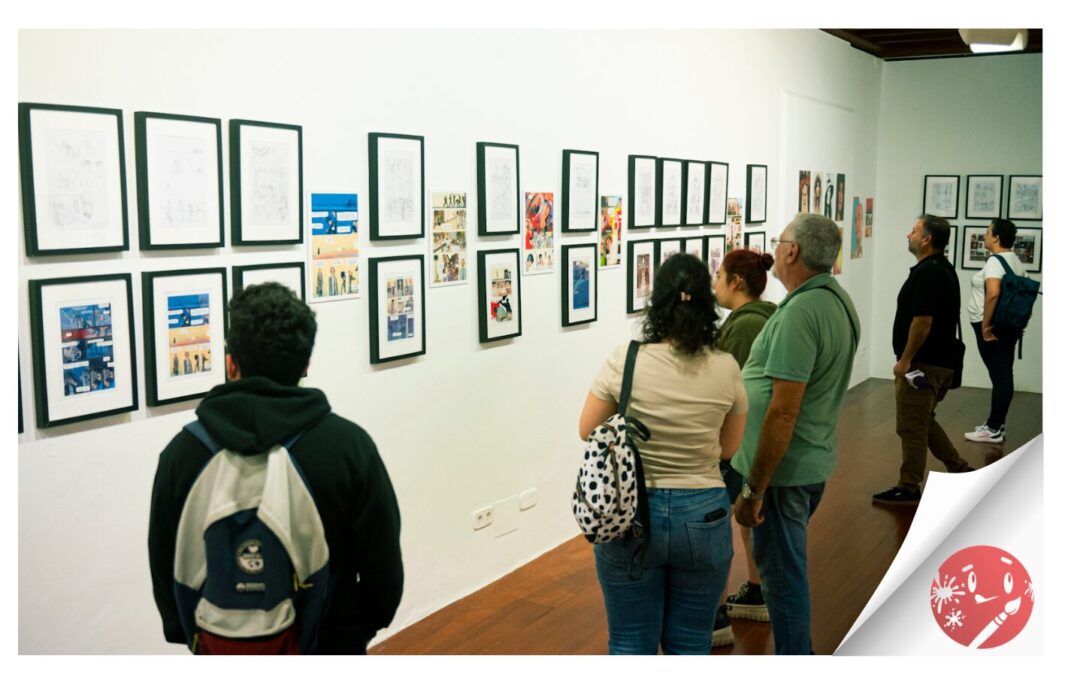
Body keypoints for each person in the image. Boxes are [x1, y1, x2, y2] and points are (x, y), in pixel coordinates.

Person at [148, 283, 403, 654]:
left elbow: (164, 563)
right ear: (306, 364)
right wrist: (353, 631)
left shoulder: (182, 454)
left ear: (231, 363)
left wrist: (190, 635)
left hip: (219, 647)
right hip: (330, 641)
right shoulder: (349, 447)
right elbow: (384, 569)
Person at [578, 253, 748, 655]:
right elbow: (729, 449)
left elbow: (588, 429)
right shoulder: (726, 367)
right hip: (704, 514)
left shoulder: (626, 359)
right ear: (707, 303)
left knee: (630, 643)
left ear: (656, 302)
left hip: (631, 513)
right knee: (690, 643)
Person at [730, 213, 860, 655]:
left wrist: (754, 489)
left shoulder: (802, 313)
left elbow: (784, 411)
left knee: (783, 583)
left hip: (783, 476)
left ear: (792, 251)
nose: (775, 248)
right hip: (808, 462)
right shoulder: (836, 301)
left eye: (778, 240)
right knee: (785, 576)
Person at [874, 215, 972, 507]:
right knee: (924, 421)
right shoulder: (939, 268)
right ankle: (959, 469)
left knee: (911, 426)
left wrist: (905, 360)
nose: (909, 234)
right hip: (937, 361)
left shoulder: (930, 272)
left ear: (927, 239)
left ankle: (909, 486)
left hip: (923, 363)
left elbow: (922, 322)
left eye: (914, 230)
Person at [711, 249, 777, 629]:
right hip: (751, 436)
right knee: (747, 520)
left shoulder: (746, 325)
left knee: (718, 524)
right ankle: (757, 591)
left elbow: (728, 388)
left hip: (739, 440)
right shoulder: (761, 317)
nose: (715, 282)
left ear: (736, 281)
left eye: (719, 275)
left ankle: (715, 616)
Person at [964, 218, 1025, 444]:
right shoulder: (1015, 260)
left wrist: (986, 326)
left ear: (997, 237)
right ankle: (997, 424)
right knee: (1003, 374)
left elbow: (993, 293)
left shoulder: (995, 261)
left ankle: (993, 428)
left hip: (993, 327)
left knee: (1000, 376)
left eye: (988, 231)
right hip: (1008, 327)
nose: (985, 235)